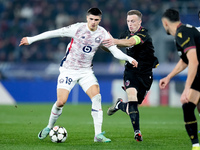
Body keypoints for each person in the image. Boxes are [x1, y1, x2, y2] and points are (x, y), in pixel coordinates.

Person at [19, 8, 138, 143]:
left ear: (100, 20)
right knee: (61, 101)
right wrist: (31, 39)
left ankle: (97, 135)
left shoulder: (103, 33)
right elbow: (55, 33)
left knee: (97, 97)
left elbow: (114, 51)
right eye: (91, 19)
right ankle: (49, 127)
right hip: (68, 70)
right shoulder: (77, 28)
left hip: (86, 72)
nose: (93, 22)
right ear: (87, 18)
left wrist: (129, 59)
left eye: (96, 20)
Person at [102, 10, 159, 142]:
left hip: (145, 74)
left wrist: (113, 40)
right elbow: (112, 47)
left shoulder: (144, 34)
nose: (130, 24)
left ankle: (119, 105)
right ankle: (137, 133)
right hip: (131, 72)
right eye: (128, 21)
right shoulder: (125, 34)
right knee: (132, 100)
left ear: (140, 22)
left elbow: (131, 42)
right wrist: (103, 44)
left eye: (133, 21)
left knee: (133, 106)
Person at [160, 8, 200, 150]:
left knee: (188, 105)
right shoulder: (185, 31)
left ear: (165, 23)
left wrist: (187, 88)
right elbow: (185, 60)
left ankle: (196, 145)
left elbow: (194, 61)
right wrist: (169, 76)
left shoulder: (182, 33)